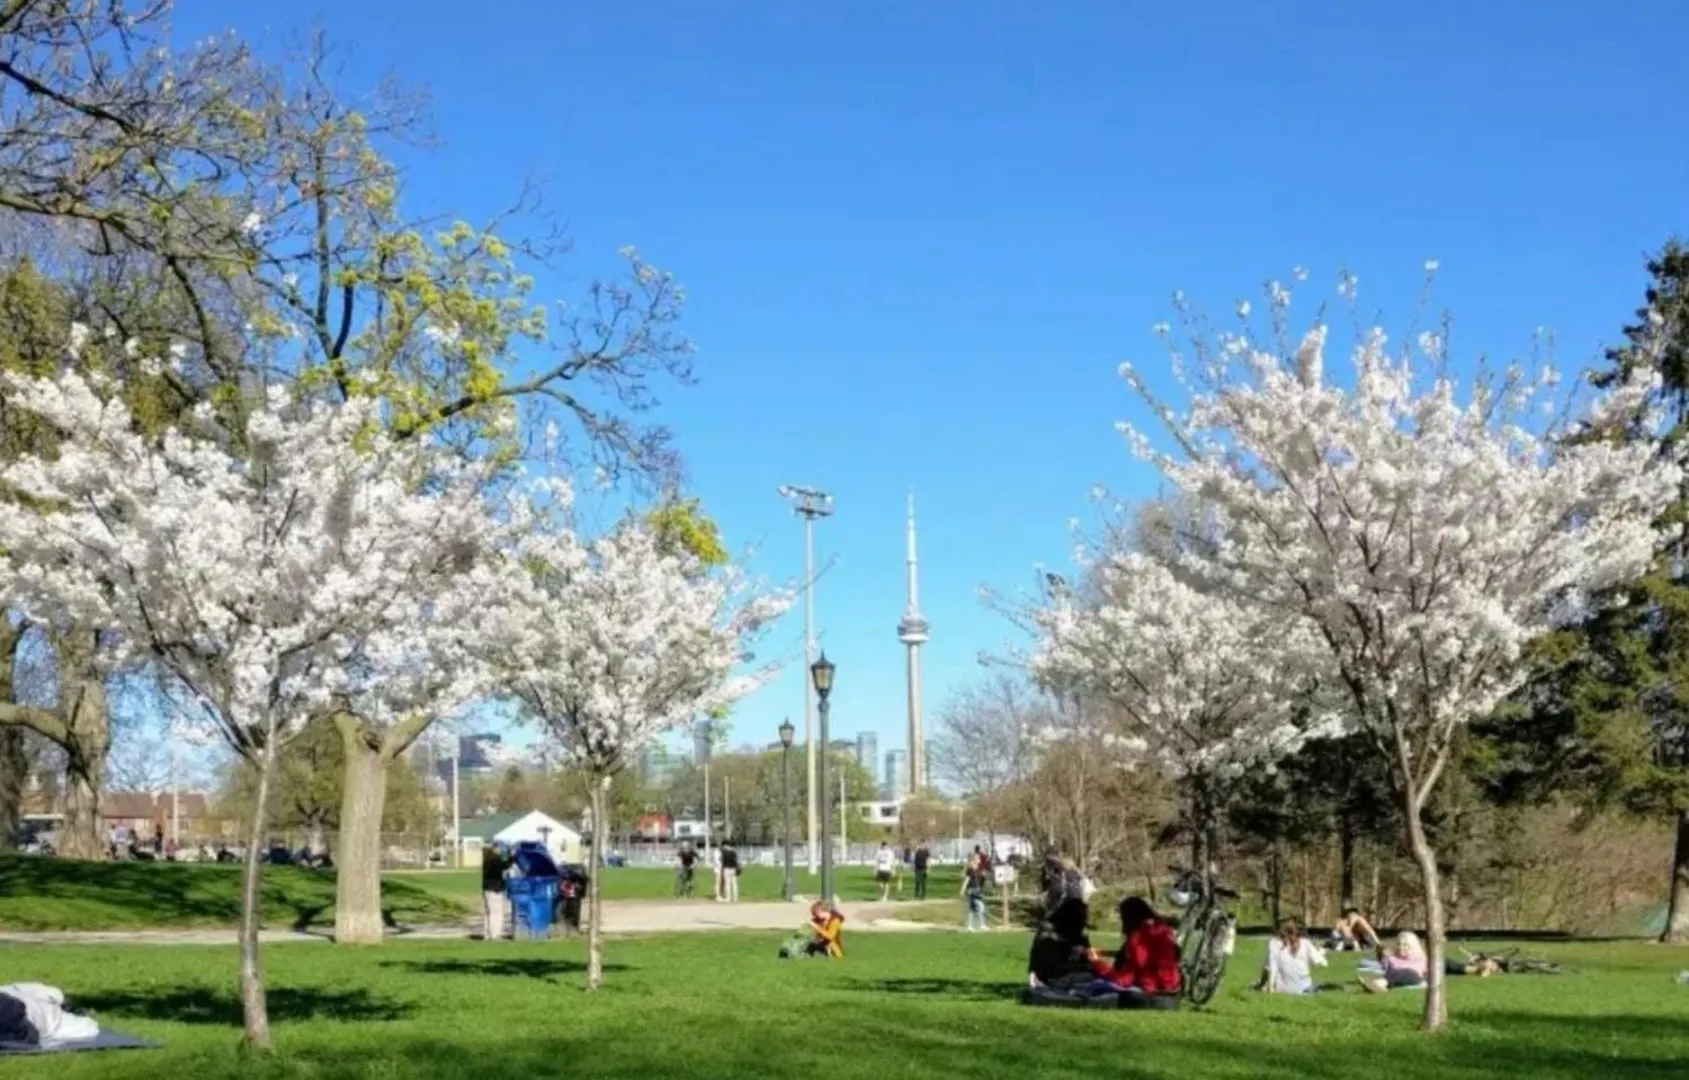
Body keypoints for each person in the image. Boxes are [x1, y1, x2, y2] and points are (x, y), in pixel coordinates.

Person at [1083, 896, 1182, 1008]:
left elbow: (1127, 977)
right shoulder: (1163, 930)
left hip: (1149, 989)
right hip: (1171, 989)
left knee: (1094, 985)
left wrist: (1097, 963)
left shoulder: (1139, 938)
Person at [1028, 895, 1094, 989]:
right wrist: (1083, 966)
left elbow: (1088, 958)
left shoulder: (1076, 934)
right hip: (1051, 979)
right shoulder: (1047, 936)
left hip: (1067, 974)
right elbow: (1052, 967)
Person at [1260, 919, 1327, 994]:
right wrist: (1321, 953)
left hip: (1283, 989)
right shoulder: (1305, 943)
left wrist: (1269, 987)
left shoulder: (1274, 944)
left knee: (1267, 965)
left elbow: (1271, 968)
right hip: (1304, 988)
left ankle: (1262, 984)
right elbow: (1318, 962)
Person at [1359, 931, 1429, 993]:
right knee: (1390, 977)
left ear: (1413, 946)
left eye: (1405, 945)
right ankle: (1375, 985)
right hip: (1393, 977)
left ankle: (1377, 984)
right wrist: (1384, 956)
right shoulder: (1392, 959)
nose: (1401, 947)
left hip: (1412, 977)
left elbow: (1428, 973)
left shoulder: (1421, 959)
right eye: (1399, 944)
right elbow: (1384, 968)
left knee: (1409, 972)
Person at [481, 841, 510, 941]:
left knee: (488, 912)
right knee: (496, 912)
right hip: (494, 889)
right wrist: (511, 856)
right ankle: (495, 934)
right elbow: (505, 865)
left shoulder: (487, 858)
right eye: (500, 849)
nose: (501, 851)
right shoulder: (495, 859)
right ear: (496, 848)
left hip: (486, 888)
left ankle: (487, 934)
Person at [962, 856, 989, 931]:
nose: (980, 860)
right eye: (978, 859)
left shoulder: (978, 869)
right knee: (981, 906)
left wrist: (984, 877)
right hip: (972, 890)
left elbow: (980, 881)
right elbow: (967, 880)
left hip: (977, 890)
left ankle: (971, 925)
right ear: (975, 860)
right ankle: (981, 925)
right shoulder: (970, 870)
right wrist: (963, 889)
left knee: (972, 909)